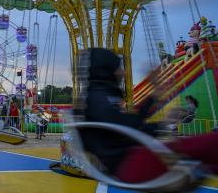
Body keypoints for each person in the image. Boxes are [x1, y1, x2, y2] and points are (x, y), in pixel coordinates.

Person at [78, 48, 218, 183]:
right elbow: (129, 130)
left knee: (208, 156)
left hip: (132, 157)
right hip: (132, 163)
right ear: (106, 70)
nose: (123, 72)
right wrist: (163, 124)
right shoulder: (100, 100)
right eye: (118, 68)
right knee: (211, 142)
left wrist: (153, 97)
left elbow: (128, 123)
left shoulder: (97, 97)